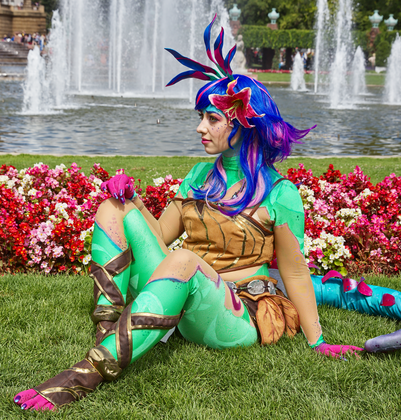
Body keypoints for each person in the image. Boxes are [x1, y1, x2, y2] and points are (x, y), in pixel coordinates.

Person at [13, 16, 362, 412]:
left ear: (244, 125)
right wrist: (133, 200)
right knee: (113, 206)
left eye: (212, 119)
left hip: (239, 314)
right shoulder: (198, 176)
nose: (200, 128)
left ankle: (83, 376)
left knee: (183, 260)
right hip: (186, 292)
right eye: (200, 117)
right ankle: (107, 332)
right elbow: (160, 237)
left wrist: (318, 340)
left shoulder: (282, 194)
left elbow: (295, 273)